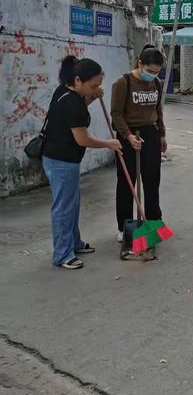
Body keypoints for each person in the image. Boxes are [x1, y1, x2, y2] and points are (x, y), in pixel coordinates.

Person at [42, 56, 122, 270]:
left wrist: (93, 97)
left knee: (72, 205)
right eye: (93, 86)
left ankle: (74, 243)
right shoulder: (70, 102)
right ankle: (62, 254)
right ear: (78, 80)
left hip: (62, 159)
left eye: (98, 86)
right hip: (61, 161)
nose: (96, 89)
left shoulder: (66, 92)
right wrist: (108, 143)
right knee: (64, 208)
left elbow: (80, 107)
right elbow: (82, 139)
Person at [111, 46, 167, 242]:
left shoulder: (157, 84)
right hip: (128, 136)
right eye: (150, 71)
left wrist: (162, 134)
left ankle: (153, 222)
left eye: (157, 72)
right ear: (139, 63)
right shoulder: (123, 82)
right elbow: (116, 113)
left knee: (152, 181)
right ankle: (124, 226)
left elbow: (157, 111)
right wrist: (127, 135)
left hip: (150, 134)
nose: (153, 75)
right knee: (127, 183)